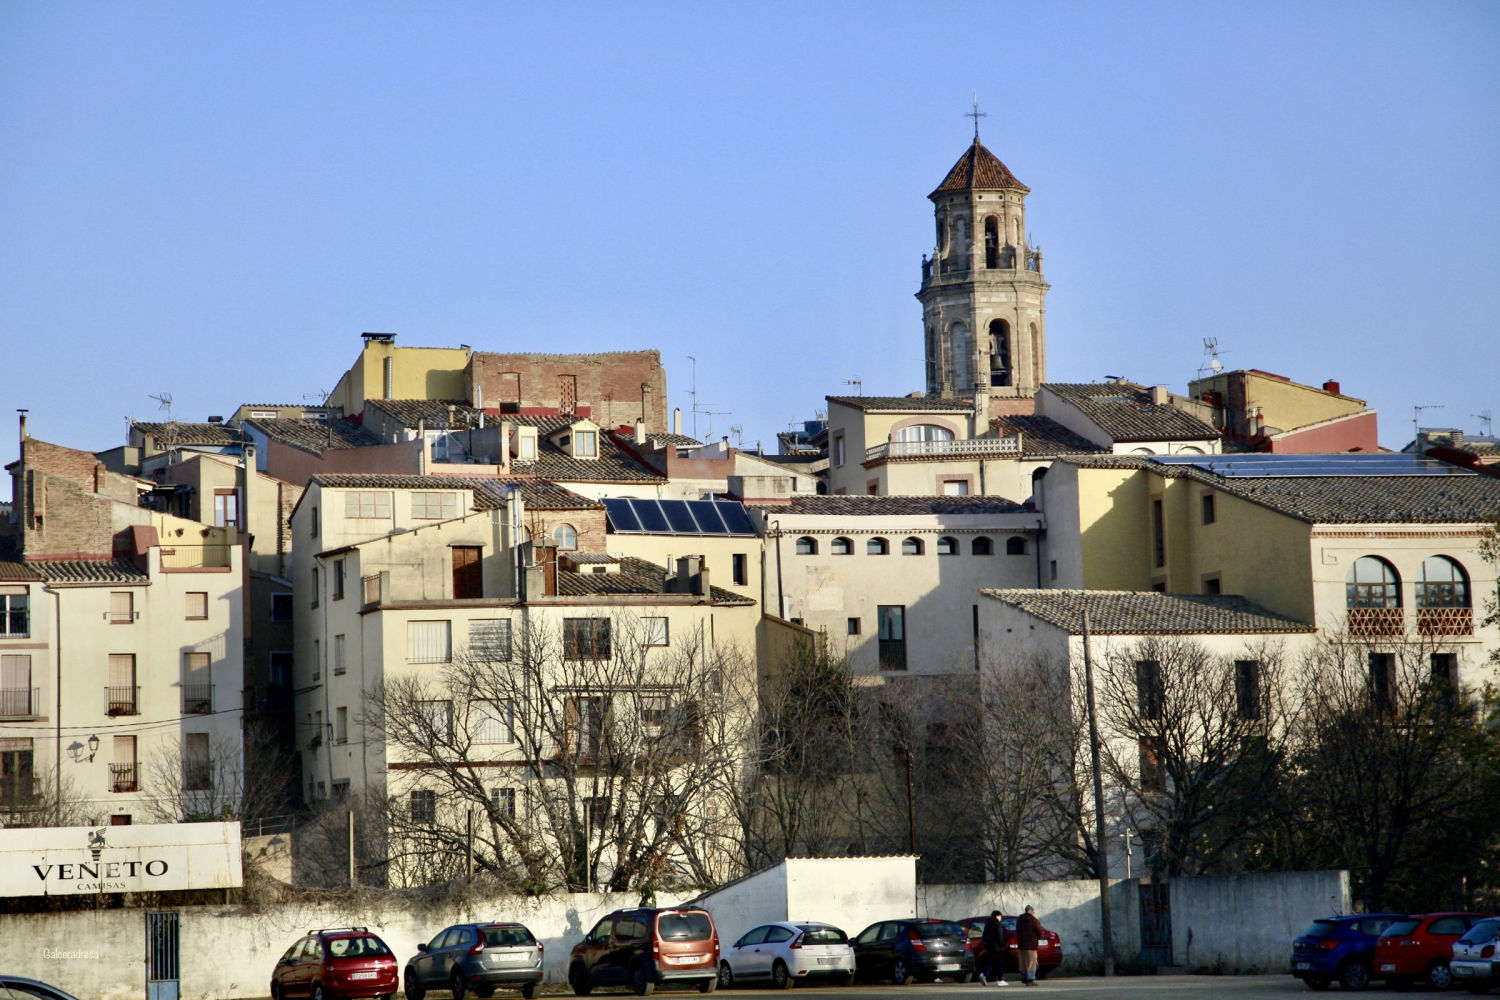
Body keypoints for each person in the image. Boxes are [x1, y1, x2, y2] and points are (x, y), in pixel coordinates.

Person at [1016, 905, 1043, 986]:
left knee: (1023, 961)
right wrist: (1037, 938)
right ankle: (1030, 979)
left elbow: (1017, 930)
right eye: (1033, 911)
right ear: (1030, 911)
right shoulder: (1034, 920)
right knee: (1032, 962)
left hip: (1021, 944)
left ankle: (1024, 976)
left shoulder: (1019, 920)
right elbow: (1039, 932)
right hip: (1031, 945)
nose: (1034, 912)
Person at [979, 910, 1008, 986]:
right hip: (997, 947)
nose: (1001, 918)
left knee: (992, 962)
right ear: (997, 916)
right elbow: (1000, 936)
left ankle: (984, 974)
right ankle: (1000, 979)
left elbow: (984, 935)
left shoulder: (988, 924)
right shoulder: (998, 925)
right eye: (1000, 916)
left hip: (989, 946)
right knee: (1000, 963)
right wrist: (1002, 944)